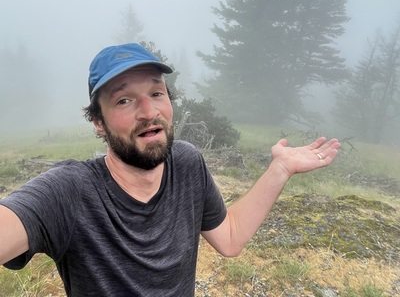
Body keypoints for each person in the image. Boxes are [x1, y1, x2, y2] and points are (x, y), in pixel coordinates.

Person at [0, 43, 340, 296]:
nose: (149, 112)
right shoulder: (70, 191)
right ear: (99, 123)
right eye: (124, 100)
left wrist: (280, 169)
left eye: (156, 92)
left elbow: (230, 238)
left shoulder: (186, 163)